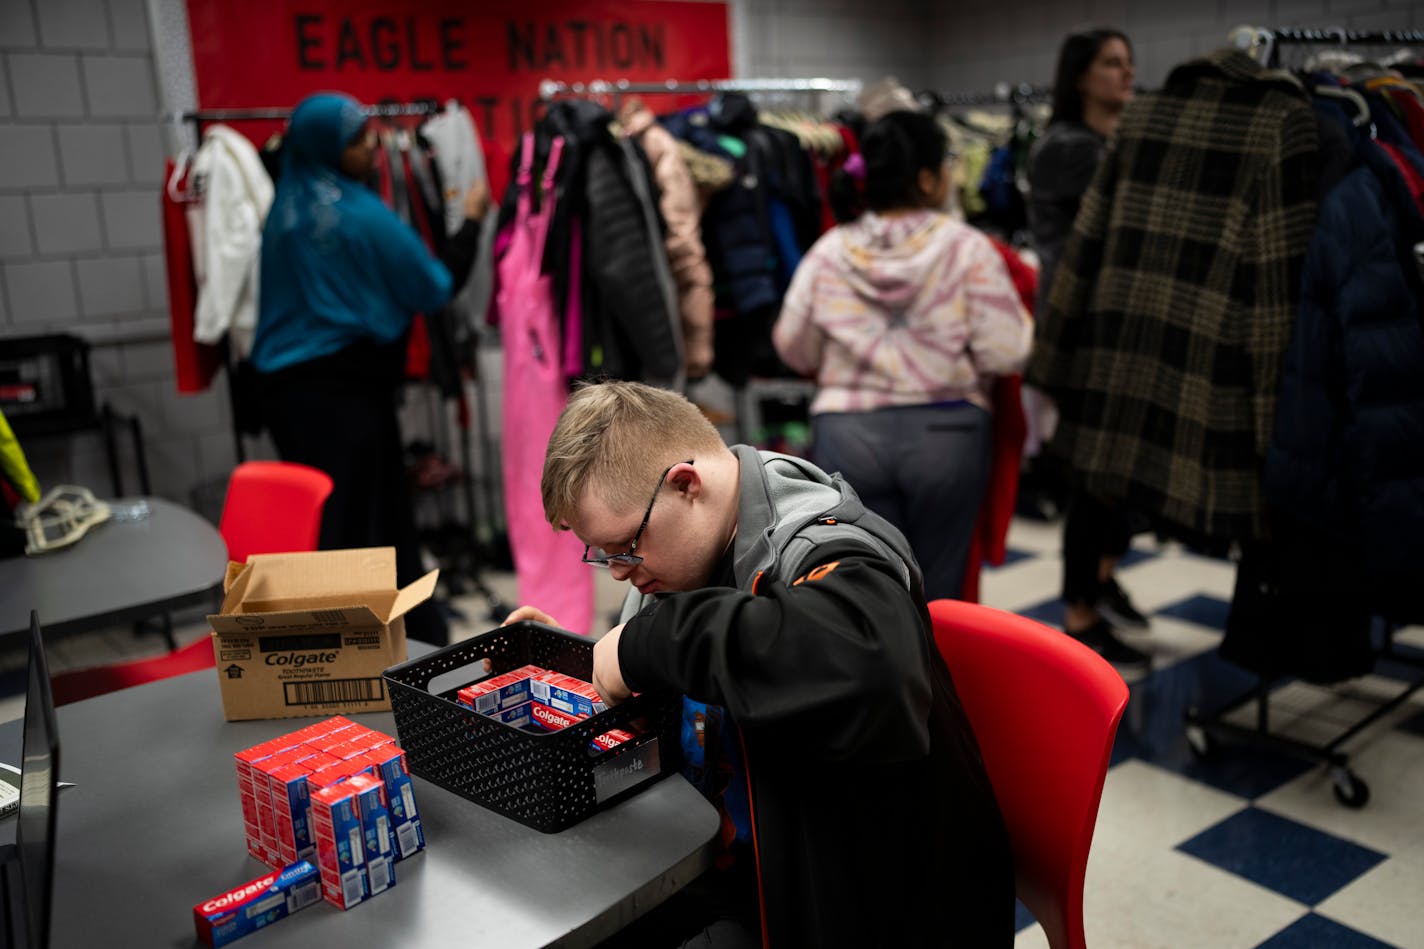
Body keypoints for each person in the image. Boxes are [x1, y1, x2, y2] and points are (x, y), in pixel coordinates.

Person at [506, 380, 1014, 948]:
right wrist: (585, 668)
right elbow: (704, 670)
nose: (619, 572)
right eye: (603, 556)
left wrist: (646, 646)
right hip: (738, 867)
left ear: (685, 485)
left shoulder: (829, 549)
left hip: (860, 909)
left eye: (625, 547)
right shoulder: (683, 558)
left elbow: (872, 672)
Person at [252, 92, 489, 645]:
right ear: (329, 148)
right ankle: (386, 649)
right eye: (357, 140)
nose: (372, 149)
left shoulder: (285, 210)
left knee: (333, 527)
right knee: (371, 528)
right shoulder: (356, 214)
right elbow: (432, 286)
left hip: (288, 396)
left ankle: (355, 647)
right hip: (346, 393)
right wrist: (472, 223)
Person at [771, 110, 1033, 602]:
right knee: (943, 588)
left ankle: (875, 674)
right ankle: (937, 676)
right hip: (948, 435)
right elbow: (1006, 350)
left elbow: (792, 345)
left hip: (849, 437)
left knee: (865, 583)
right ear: (929, 178)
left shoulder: (831, 251)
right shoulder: (968, 249)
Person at [1025, 29, 1152, 667]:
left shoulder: (1105, 144)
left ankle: (1098, 583)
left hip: (1112, 337)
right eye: (1111, 63)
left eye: (1129, 63)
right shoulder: (1072, 150)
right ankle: (1080, 611)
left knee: (1115, 478)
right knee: (1096, 479)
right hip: (1084, 339)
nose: (1126, 74)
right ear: (1081, 75)